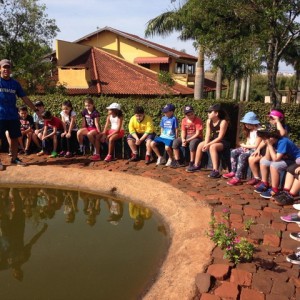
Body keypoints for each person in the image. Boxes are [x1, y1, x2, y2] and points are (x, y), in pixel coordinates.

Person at [0, 59, 37, 169]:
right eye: (4, 67)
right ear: (0, 69)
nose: (6, 69)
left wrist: (35, 109)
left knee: (15, 137)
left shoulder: (15, 83)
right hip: (0, 116)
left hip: (13, 116)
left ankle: (15, 158)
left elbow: (24, 98)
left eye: (8, 67)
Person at [254, 124, 300, 199]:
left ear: (271, 137)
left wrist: (269, 145)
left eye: (264, 138)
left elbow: (276, 159)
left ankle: (274, 189)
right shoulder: (273, 142)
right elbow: (268, 158)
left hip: (294, 160)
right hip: (285, 159)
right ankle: (264, 182)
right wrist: (269, 145)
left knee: (274, 165)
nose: (263, 141)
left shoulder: (283, 142)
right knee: (263, 161)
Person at [186, 104, 230, 178]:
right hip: (213, 140)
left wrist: (208, 144)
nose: (208, 114)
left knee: (212, 147)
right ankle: (196, 165)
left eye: (210, 112)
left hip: (223, 142)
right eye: (208, 112)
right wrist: (206, 144)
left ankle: (216, 170)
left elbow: (220, 137)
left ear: (216, 113)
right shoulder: (208, 121)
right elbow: (207, 135)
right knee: (200, 144)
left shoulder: (223, 122)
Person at [247, 108, 289, 186]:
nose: (270, 120)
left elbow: (282, 133)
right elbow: (264, 140)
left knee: (265, 160)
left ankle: (266, 183)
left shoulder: (284, 127)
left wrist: (277, 122)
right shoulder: (269, 126)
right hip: (269, 150)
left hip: (280, 152)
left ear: (281, 118)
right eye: (269, 118)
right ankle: (260, 180)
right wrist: (258, 149)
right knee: (253, 159)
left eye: (272, 118)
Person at [223, 111, 261, 185]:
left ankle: (238, 177)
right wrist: (246, 146)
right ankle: (233, 171)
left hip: (255, 150)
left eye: (248, 123)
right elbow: (248, 140)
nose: (246, 125)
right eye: (245, 123)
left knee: (242, 156)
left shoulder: (259, 131)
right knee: (233, 152)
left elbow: (256, 145)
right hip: (248, 147)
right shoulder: (249, 130)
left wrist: (245, 146)